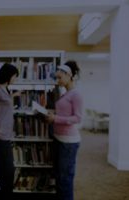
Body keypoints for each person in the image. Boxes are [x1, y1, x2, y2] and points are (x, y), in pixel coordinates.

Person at [46, 60, 83, 200]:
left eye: (60, 78)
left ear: (69, 75)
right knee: (59, 178)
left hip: (68, 142)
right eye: (57, 78)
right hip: (59, 138)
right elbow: (63, 114)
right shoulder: (65, 94)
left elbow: (77, 118)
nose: (58, 80)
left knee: (65, 179)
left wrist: (55, 119)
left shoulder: (76, 95)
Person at [0, 63, 19, 200]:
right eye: (14, 76)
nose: (15, 79)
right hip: (0, 136)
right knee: (7, 171)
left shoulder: (4, 90)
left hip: (5, 136)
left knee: (0, 170)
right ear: (8, 76)